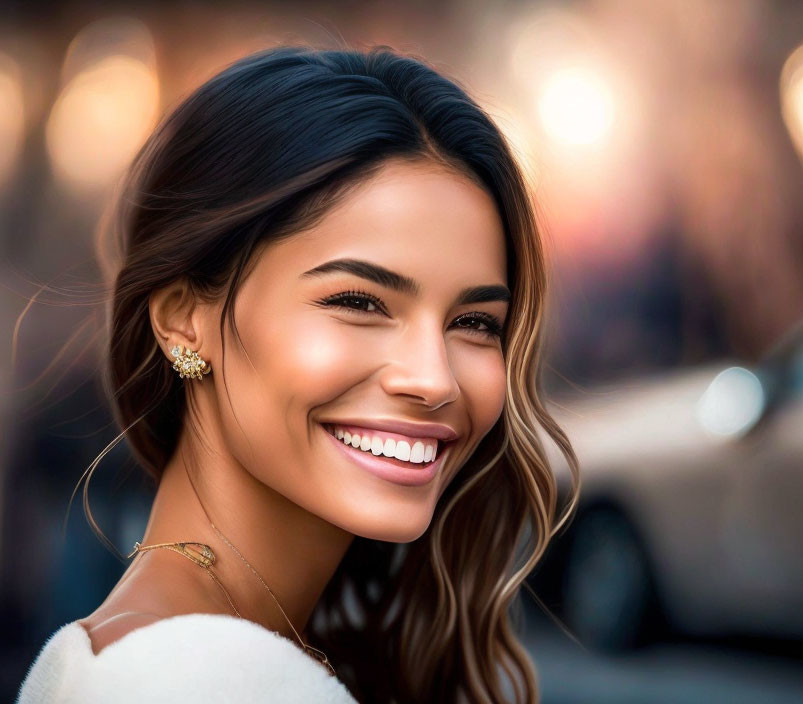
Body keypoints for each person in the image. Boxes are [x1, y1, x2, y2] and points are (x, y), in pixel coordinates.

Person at [16, 44, 580, 703]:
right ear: (181, 319)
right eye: (358, 303)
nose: (434, 380)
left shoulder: (165, 650)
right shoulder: (198, 683)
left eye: (476, 322)